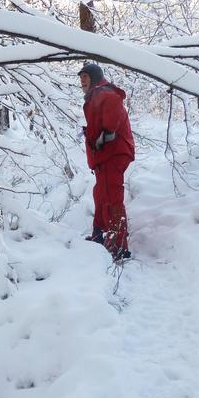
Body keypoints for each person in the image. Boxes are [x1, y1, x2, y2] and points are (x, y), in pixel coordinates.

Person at [78, 62, 135, 261]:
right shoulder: (96, 95)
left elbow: (113, 114)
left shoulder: (105, 94)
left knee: (112, 197)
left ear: (94, 77)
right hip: (105, 156)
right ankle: (99, 236)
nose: (82, 81)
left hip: (113, 154)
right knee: (101, 194)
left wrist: (105, 135)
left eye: (85, 77)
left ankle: (119, 247)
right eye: (81, 78)